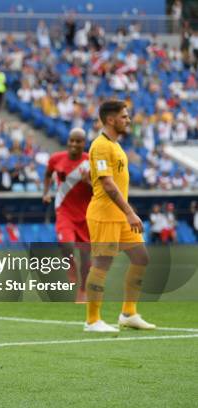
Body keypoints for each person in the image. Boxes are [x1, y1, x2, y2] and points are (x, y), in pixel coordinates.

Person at [84, 100, 155, 332]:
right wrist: (130, 212)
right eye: (124, 117)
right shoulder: (102, 145)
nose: (129, 120)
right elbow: (107, 184)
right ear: (111, 120)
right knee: (103, 263)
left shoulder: (114, 145)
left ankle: (128, 313)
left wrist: (126, 213)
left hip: (119, 216)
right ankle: (92, 320)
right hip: (105, 215)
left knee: (141, 257)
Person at [42, 128, 92, 303]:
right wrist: (46, 192)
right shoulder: (56, 159)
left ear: (83, 144)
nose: (73, 144)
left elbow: (101, 188)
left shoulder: (90, 161)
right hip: (64, 210)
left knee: (87, 257)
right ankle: (70, 265)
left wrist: (89, 182)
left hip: (86, 214)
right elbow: (48, 174)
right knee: (66, 243)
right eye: (71, 140)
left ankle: (83, 290)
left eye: (78, 141)